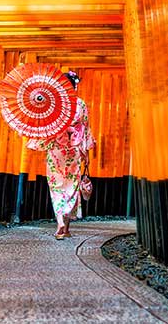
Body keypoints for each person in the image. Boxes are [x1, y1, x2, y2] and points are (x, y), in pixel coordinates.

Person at [26, 71, 96, 240]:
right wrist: (85, 150)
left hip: (56, 149)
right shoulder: (80, 104)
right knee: (71, 186)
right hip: (74, 149)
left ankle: (60, 223)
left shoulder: (53, 105)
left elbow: (45, 126)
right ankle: (66, 226)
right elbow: (85, 127)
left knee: (56, 186)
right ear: (74, 86)